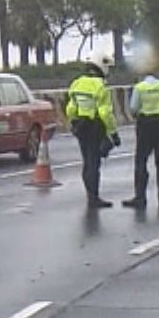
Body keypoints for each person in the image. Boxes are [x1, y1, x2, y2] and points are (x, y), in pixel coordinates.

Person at [64, 54, 119, 209]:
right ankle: (94, 198)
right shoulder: (100, 86)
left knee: (87, 162)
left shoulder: (76, 83)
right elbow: (105, 113)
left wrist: (74, 123)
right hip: (95, 125)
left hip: (81, 125)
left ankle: (90, 196)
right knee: (94, 163)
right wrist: (113, 133)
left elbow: (70, 108)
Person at [122, 71, 159, 209]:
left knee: (141, 162)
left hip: (145, 126)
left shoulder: (140, 88)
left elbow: (133, 108)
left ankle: (140, 197)